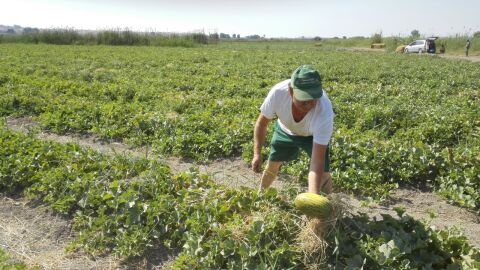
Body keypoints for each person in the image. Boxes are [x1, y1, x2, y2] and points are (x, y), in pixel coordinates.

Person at [251, 65, 334, 194]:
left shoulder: (324, 111)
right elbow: (261, 124)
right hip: (285, 129)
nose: (310, 105)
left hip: (311, 135)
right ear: (290, 91)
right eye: (304, 100)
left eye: (314, 99)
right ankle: (260, 195)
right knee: (272, 164)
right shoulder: (278, 93)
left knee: (323, 173)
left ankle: (326, 203)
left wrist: (313, 199)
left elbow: (317, 162)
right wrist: (257, 153)